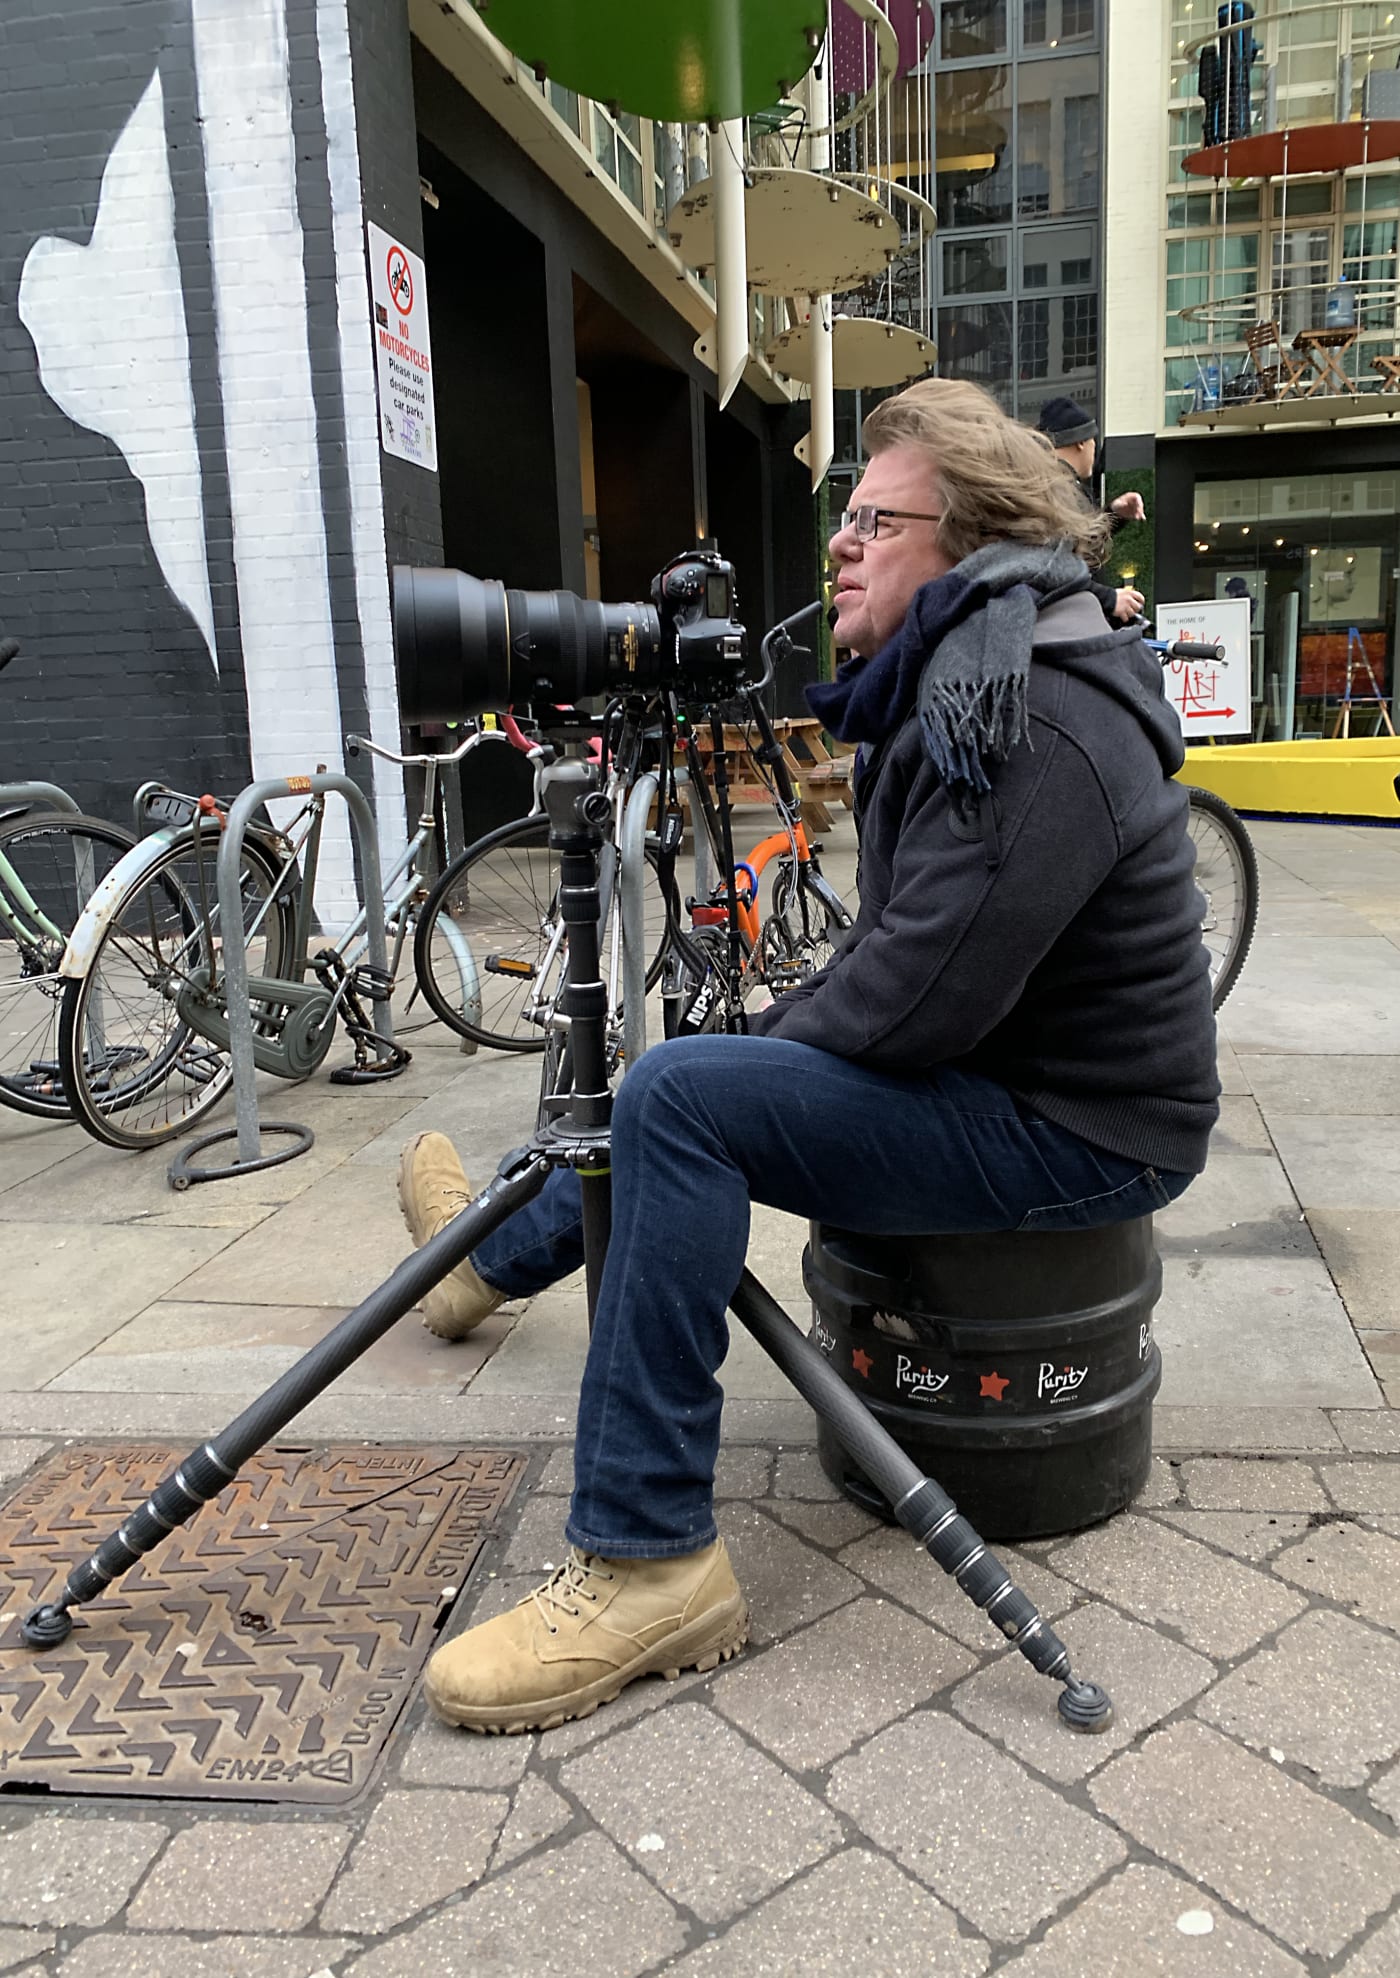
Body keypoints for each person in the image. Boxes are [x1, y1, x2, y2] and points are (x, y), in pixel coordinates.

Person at [399, 376, 1220, 1736]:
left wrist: (761, 1045)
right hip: (1007, 1074)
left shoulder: (1039, 715)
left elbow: (916, 1005)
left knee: (684, 1091)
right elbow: (905, 963)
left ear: (963, 539)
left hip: (1080, 1132)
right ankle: (485, 1256)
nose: (838, 542)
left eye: (873, 518)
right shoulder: (981, 668)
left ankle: (650, 1555)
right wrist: (776, 1034)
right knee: (705, 1073)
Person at [1034, 396, 1145, 626]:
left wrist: (1114, 513)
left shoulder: (1055, 484)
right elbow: (1056, 564)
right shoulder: (1058, 489)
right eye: (1094, 442)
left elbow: (1077, 542)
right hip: (1070, 625)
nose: (1095, 452)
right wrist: (1109, 598)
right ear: (1081, 442)